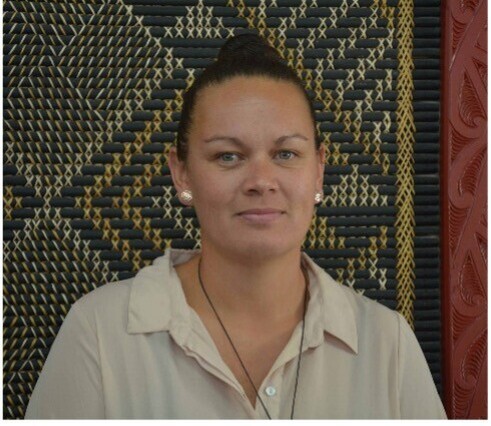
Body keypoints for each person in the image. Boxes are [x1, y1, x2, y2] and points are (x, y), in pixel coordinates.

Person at [25, 33, 447, 419]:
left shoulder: (387, 345)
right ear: (181, 172)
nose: (261, 181)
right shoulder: (100, 333)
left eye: (285, 154)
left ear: (319, 171)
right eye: (228, 156)